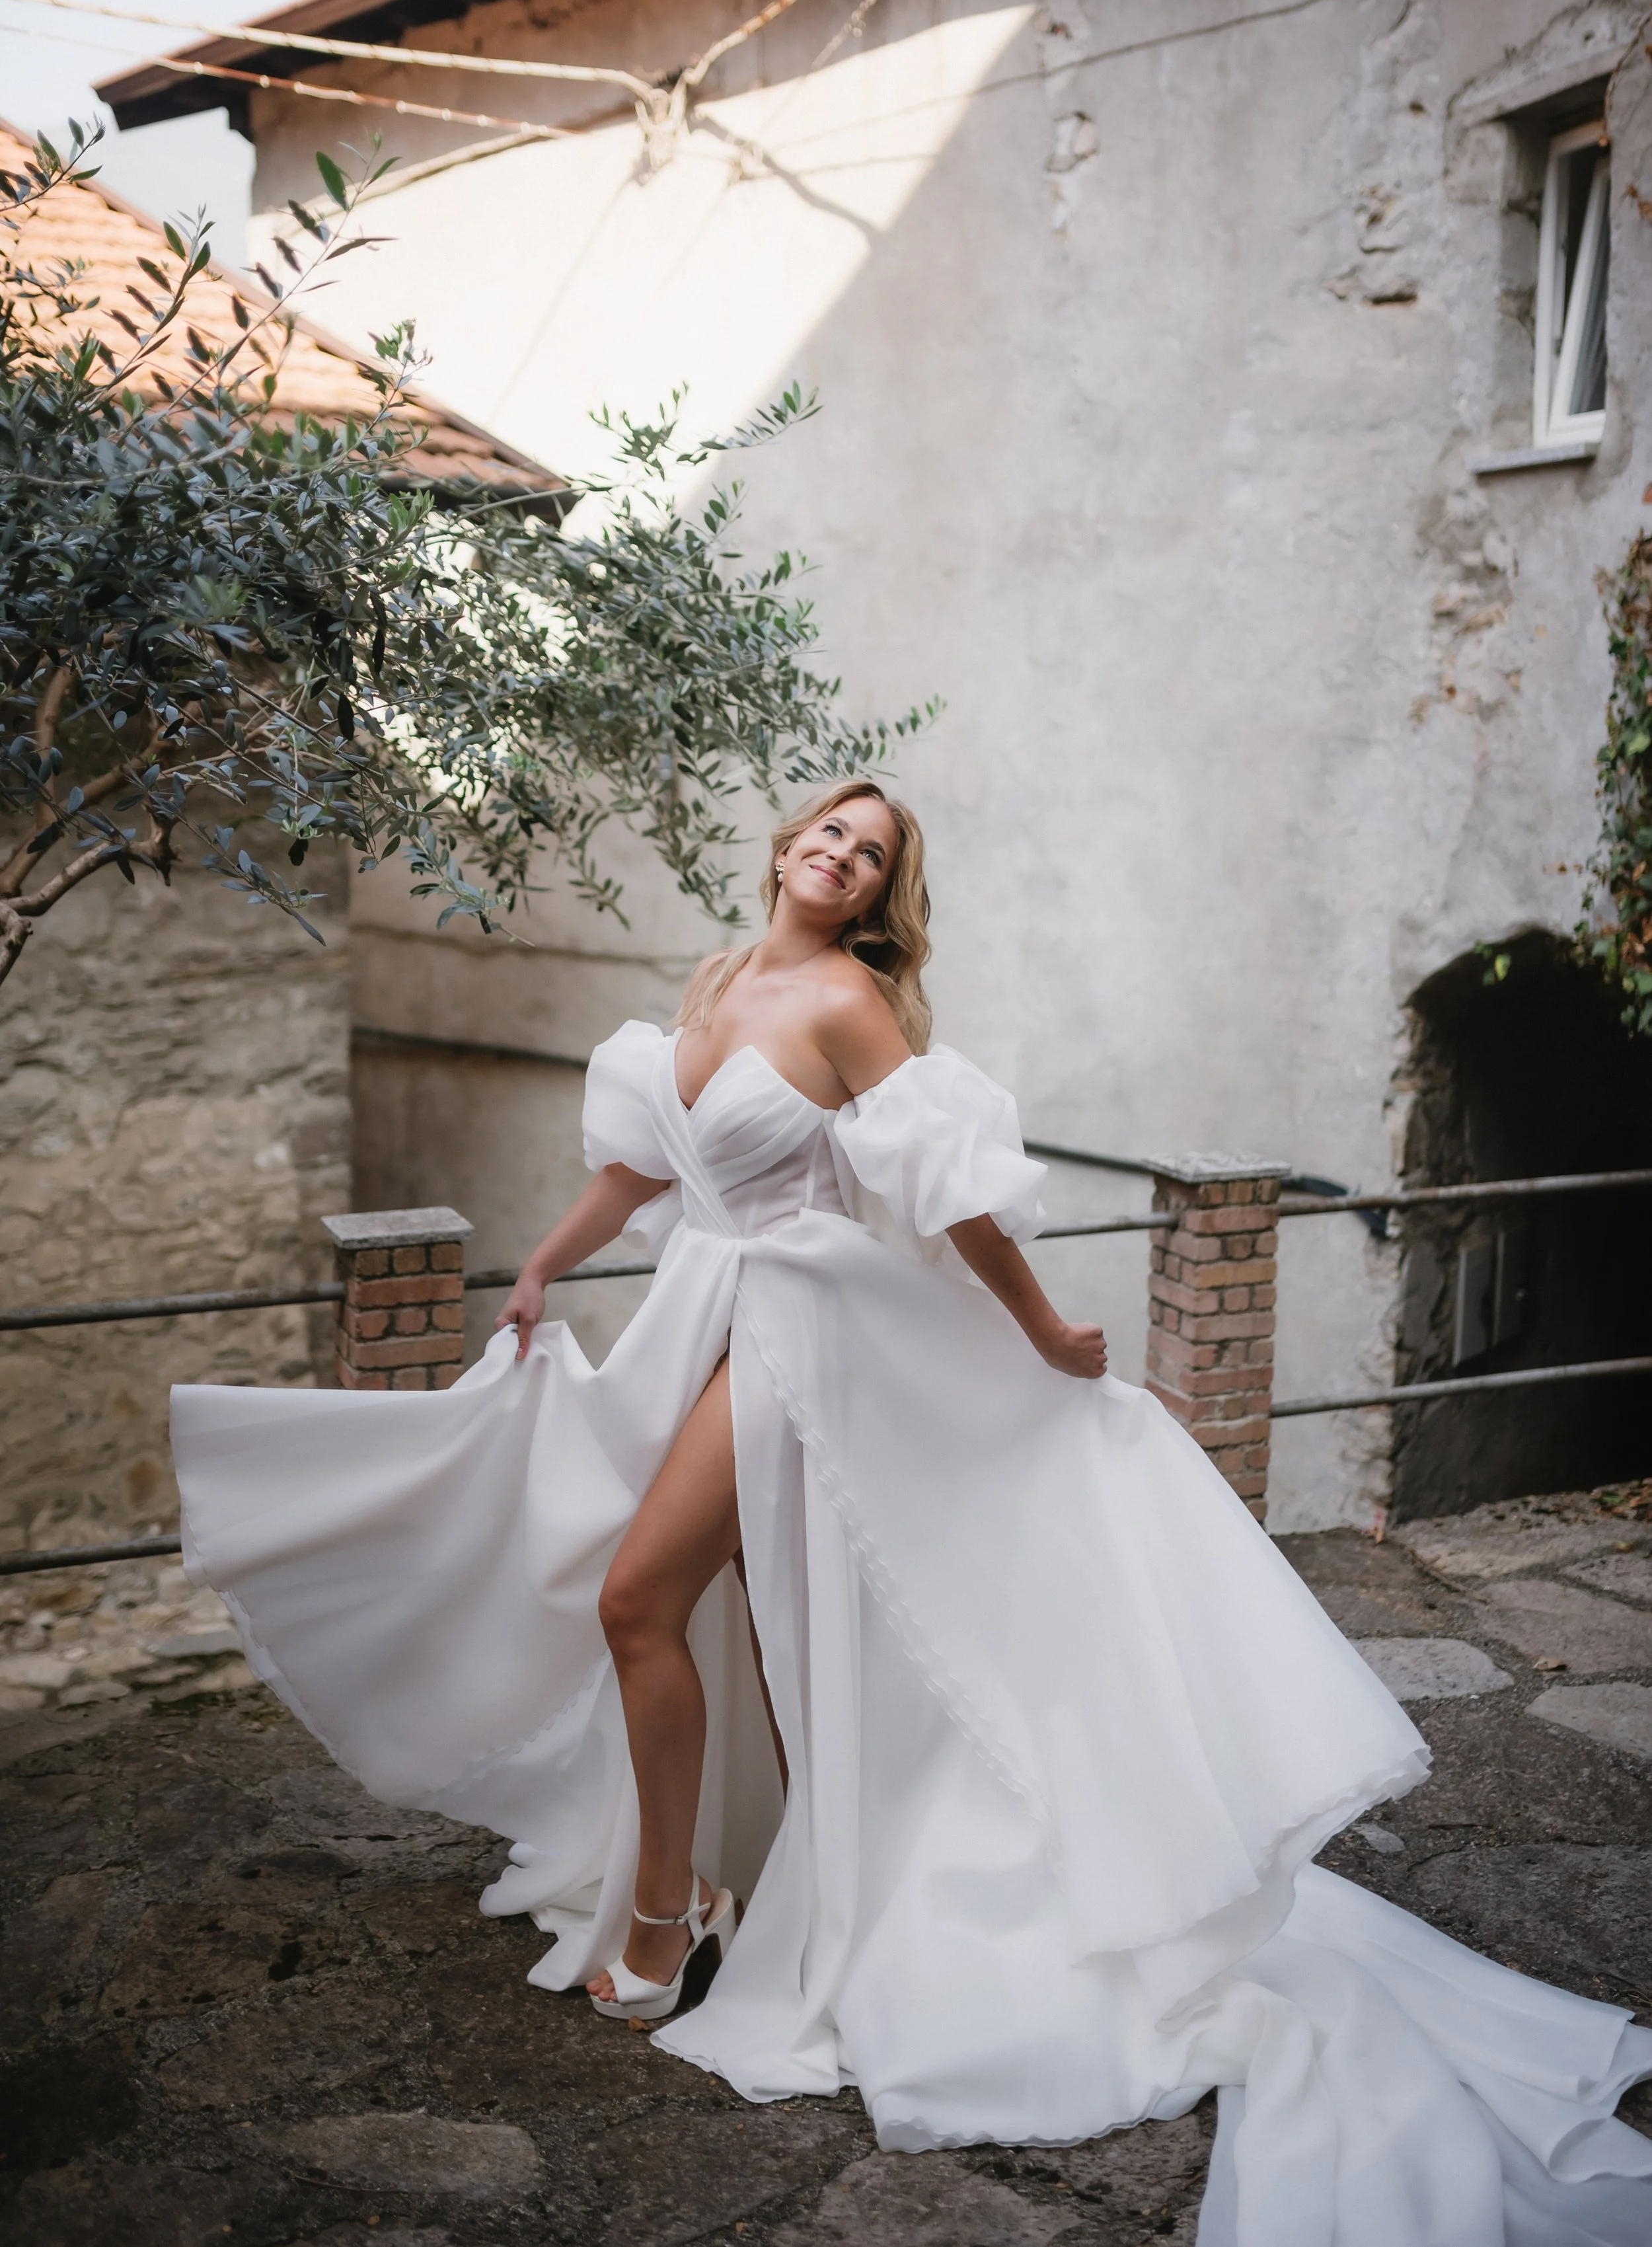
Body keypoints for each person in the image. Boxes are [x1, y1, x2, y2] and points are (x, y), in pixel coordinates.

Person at [172, 780, 1652, 2246]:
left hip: (803, 1336)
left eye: (868, 854)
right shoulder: (710, 981)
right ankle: (740, 1875)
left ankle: (666, 1913)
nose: (840, 854)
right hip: (700, 1321)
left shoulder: (842, 1006)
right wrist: (543, 1265)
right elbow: (641, 1170)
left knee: (639, 1602)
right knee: (743, 1632)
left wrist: (1040, 1331)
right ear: (784, 847)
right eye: (829, 830)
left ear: (877, 898)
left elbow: (948, 1194)